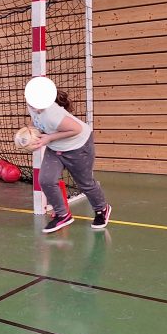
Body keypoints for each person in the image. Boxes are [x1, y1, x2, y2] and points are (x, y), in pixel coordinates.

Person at [27, 89, 112, 234]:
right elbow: (36, 121)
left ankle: (102, 209)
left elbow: (76, 129)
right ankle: (62, 215)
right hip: (55, 148)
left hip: (78, 146)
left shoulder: (53, 115)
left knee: (85, 184)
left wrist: (49, 138)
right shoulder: (31, 104)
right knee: (46, 180)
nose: (35, 107)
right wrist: (31, 133)